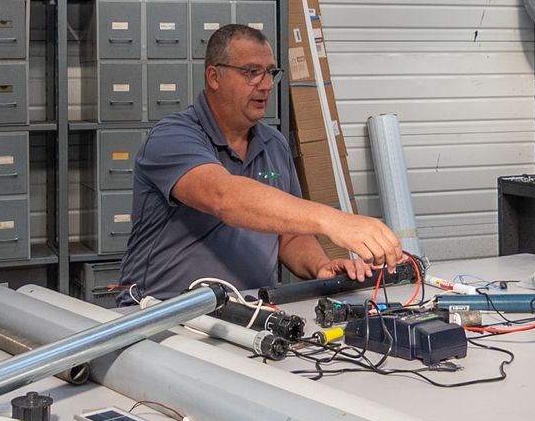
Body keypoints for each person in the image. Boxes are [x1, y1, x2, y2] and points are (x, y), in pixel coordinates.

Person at [116, 23, 405, 298]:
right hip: (164, 312)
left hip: (253, 311)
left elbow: (288, 237)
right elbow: (223, 196)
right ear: (214, 77)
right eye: (252, 72)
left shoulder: (274, 144)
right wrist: (334, 221)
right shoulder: (172, 137)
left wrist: (320, 265)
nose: (266, 85)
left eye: (270, 72)